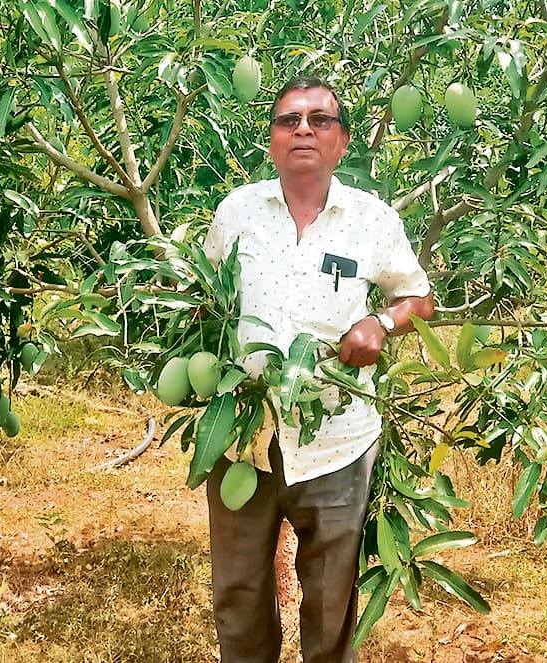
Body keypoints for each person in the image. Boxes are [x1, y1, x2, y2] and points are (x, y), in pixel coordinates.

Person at [201, 76, 435, 663]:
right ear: (272, 140)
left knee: (331, 601)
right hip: (242, 437)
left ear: (342, 141)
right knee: (238, 591)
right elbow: (207, 299)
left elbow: (418, 298)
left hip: (337, 440)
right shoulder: (237, 213)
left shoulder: (373, 220)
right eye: (289, 120)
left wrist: (381, 323)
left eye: (319, 120)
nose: (303, 129)